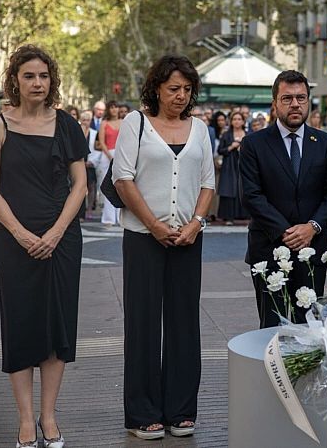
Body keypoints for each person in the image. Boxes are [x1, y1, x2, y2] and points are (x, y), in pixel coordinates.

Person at [0, 44, 89, 448]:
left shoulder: (66, 124)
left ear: (52, 79)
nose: (37, 83)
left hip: (62, 240)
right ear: (15, 80)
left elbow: (80, 185)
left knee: (57, 326)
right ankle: (25, 421)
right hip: (14, 242)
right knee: (22, 324)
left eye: (43, 75)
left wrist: (57, 232)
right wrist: (22, 234)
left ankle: (49, 417)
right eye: (29, 76)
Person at [112, 55, 215, 440]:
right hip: (143, 239)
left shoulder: (201, 129)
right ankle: (142, 413)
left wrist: (196, 224)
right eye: (174, 89)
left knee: (184, 323)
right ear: (156, 87)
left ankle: (181, 410)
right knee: (142, 324)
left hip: (188, 239)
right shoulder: (135, 123)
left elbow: (208, 183)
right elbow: (123, 179)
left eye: (187, 90)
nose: (181, 96)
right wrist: (154, 225)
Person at [240, 70, 327, 328]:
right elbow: (252, 196)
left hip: (313, 248)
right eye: (287, 98)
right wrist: (287, 232)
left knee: (310, 327)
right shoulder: (254, 144)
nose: (295, 104)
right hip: (268, 249)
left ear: (309, 101)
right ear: (274, 103)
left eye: (301, 98)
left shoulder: (325, 143)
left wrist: (312, 227)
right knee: (272, 328)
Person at [216, 110, 248, 224]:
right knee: (228, 189)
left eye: (239, 119)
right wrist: (231, 147)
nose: (237, 121)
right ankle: (228, 217)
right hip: (229, 165)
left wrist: (242, 148)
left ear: (243, 121)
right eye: (234, 119)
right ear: (231, 121)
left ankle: (243, 216)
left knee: (243, 188)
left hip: (244, 166)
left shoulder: (248, 134)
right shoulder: (226, 134)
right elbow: (220, 150)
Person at [97, 100, 121, 226]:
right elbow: (101, 142)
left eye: (115, 107)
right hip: (107, 156)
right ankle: (108, 218)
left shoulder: (124, 122)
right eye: (111, 107)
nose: (114, 109)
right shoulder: (104, 123)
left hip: (121, 154)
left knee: (121, 186)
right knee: (107, 186)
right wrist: (109, 155)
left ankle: (120, 217)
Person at [79, 110, 100, 220]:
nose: (85, 122)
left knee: (91, 187)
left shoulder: (95, 133)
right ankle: (80, 212)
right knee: (79, 187)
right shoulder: (77, 132)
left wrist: (91, 162)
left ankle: (89, 209)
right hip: (79, 164)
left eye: (87, 120)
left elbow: (97, 150)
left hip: (90, 164)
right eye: (83, 120)